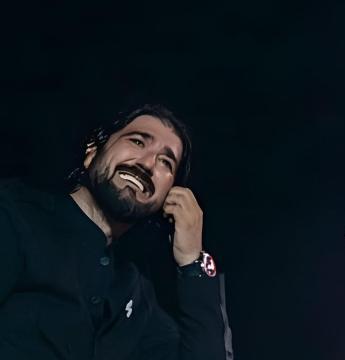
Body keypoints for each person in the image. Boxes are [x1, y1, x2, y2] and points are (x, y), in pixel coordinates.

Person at [0, 104, 228, 359]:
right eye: (138, 142)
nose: (148, 164)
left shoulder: (137, 295)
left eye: (166, 162)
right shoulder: (16, 215)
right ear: (92, 152)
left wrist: (193, 261)